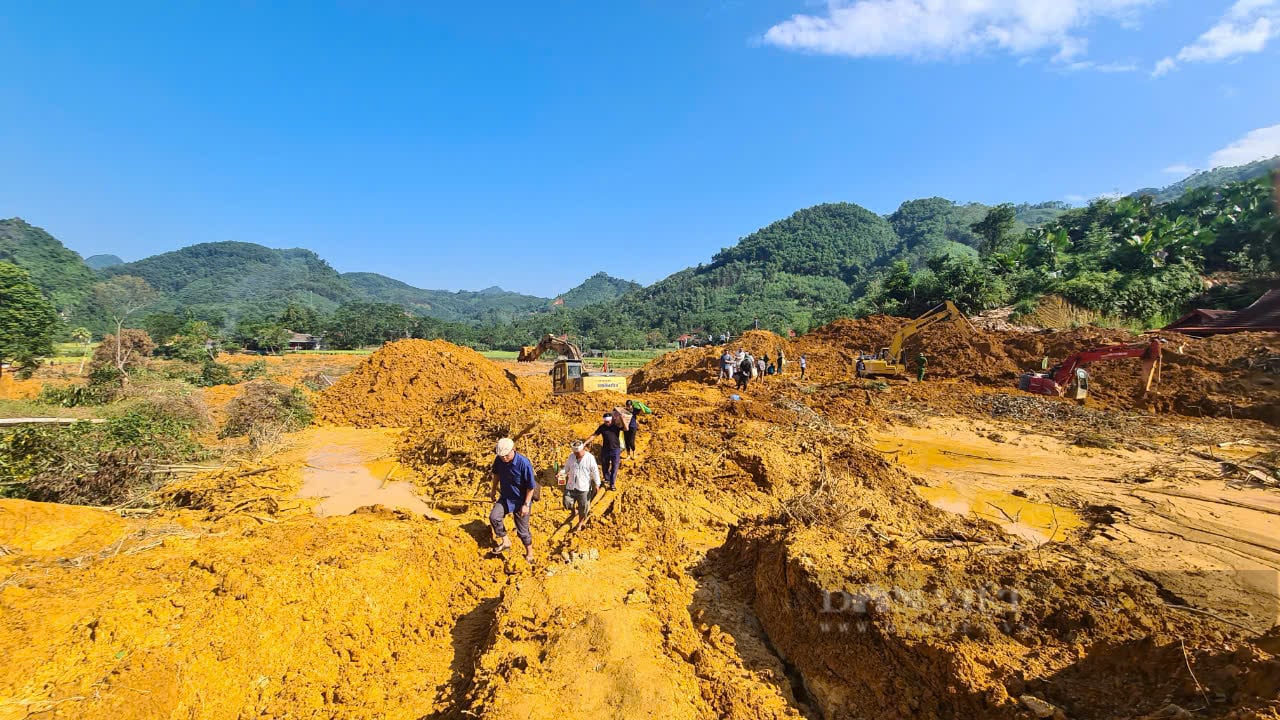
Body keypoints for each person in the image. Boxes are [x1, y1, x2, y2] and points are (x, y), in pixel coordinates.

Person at [490, 437, 537, 563]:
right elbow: (496, 474)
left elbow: (531, 487)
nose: (504, 458)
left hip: (521, 500)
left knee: (523, 531)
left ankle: (530, 554)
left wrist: (526, 505)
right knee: (494, 517)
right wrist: (493, 490)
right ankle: (506, 541)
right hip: (506, 497)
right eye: (501, 456)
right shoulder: (499, 460)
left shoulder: (524, 463)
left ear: (513, 450)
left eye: (506, 455)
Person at [559, 440, 601, 532]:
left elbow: (595, 472)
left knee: (583, 507)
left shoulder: (590, 458)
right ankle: (574, 511)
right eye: (575, 453)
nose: (577, 455)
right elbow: (566, 468)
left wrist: (597, 484)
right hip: (571, 486)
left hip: (583, 488)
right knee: (566, 502)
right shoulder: (571, 457)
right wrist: (561, 473)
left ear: (582, 450)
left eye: (578, 453)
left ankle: (580, 523)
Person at [588, 412, 624, 491]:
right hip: (605, 450)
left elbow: (626, 428)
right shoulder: (602, 427)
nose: (607, 423)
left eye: (608, 422)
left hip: (615, 450)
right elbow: (594, 435)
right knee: (605, 466)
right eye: (605, 422)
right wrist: (585, 442)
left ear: (611, 420)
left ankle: (612, 484)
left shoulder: (616, 426)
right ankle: (607, 478)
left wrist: (622, 418)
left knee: (614, 467)